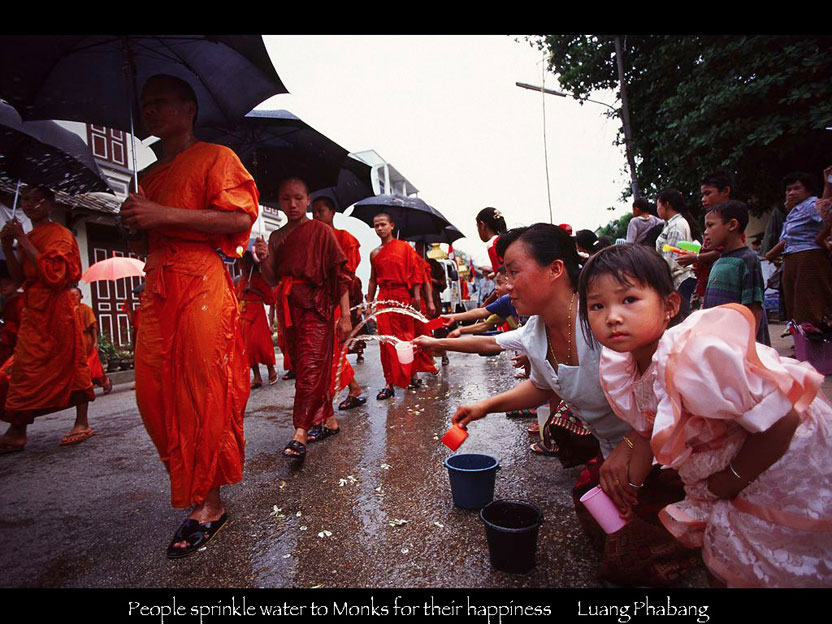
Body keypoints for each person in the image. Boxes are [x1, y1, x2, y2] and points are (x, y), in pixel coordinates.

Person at [451, 224, 694, 586]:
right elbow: (540, 384)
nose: (504, 283)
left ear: (555, 270)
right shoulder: (537, 331)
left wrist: (628, 448)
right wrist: (484, 407)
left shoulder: (611, 326)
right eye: (503, 272)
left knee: (634, 548)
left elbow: (661, 405)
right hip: (620, 447)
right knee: (591, 501)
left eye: (513, 271)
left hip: (663, 450)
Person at [581, 243, 832, 587]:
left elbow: (783, 421)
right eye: (597, 306)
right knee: (730, 555)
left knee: (769, 556)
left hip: (782, 459)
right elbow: (647, 431)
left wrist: (729, 480)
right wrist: (631, 492)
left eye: (629, 300)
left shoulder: (693, 356)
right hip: (730, 467)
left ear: (669, 305)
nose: (612, 316)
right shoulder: (622, 368)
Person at [118, 74, 258, 558]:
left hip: (200, 283)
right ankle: (194, 488)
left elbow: (240, 219)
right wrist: (137, 221)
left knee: (202, 389)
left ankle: (209, 504)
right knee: (154, 392)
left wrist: (160, 216)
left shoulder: (216, 157)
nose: (150, 111)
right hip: (158, 286)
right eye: (146, 104)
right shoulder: (150, 176)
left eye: (160, 103)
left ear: (189, 108)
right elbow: (149, 235)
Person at [255, 178, 352, 456]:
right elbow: (272, 279)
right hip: (289, 310)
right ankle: (329, 420)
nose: (293, 204)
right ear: (279, 201)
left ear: (308, 199)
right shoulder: (275, 237)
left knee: (311, 367)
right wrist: (263, 259)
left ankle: (300, 431)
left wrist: (344, 316)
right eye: (286, 199)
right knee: (306, 368)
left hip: (316, 306)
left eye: (298, 198)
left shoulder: (321, 232)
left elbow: (340, 276)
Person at [0, 186, 95, 453]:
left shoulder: (60, 235)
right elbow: (19, 278)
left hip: (57, 307)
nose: (30, 205)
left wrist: (22, 240)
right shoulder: (29, 236)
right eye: (27, 200)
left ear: (50, 206)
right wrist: (8, 247)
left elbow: (55, 276)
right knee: (23, 369)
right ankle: (17, 429)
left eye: (36, 200)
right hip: (33, 309)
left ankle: (82, 421)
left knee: (71, 360)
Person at [311, 196, 366, 410]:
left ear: (332, 212)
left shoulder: (345, 238)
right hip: (316, 301)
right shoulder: (313, 240)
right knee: (328, 350)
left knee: (331, 350)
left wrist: (345, 313)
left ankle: (326, 407)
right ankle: (352, 388)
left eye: (321, 211)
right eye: (313, 211)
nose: (316, 215)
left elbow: (346, 275)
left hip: (336, 301)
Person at [367, 212, 424, 399]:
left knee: (407, 338)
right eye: (376, 225)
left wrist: (416, 297)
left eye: (383, 224)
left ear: (392, 225)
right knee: (386, 342)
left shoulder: (405, 248)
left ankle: (413, 375)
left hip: (402, 296)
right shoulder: (374, 253)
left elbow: (416, 274)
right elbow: (373, 280)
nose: (380, 228)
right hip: (383, 298)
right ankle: (389, 383)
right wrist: (369, 303)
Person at [764, 171, 832, 325]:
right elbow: (788, 238)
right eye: (788, 190)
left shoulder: (811, 204)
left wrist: (821, 239)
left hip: (808, 256)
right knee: (794, 300)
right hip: (792, 257)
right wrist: (771, 254)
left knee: (809, 299)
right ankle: (802, 340)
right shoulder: (795, 211)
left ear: (808, 190)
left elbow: (827, 212)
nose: (791, 193)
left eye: (796, 188)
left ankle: (814, 341)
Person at [701, 200, 770, 345]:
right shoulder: (718, 262)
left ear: (732, 225)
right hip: (720, 339)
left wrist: (750, 346)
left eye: (710, 225)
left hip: (740, 342)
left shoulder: (747, 260)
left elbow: (754, 307)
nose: (706, 232)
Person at [235, 252, 278, 389]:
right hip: (244, 316)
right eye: (241, 262)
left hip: (257, 315)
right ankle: (257, 376)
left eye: (245, 262)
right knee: (248, 348)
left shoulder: (260, 278)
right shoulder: (241, 280)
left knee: (262, 344)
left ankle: (272, 370)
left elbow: (270, 299)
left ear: (251, 262)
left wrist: (253, 288)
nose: (243, 265)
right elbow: (238, 297)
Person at [655, 189, 699, 318]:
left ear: (666, 205)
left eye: (658, 205)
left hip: (681, 280)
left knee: (682, 320)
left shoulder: (676, 226)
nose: (657, 209)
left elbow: (672, 259)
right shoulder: (672, 224)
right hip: (679, 280)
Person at [70, 287, 113, 393]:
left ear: (81, 296)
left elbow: (93, 326)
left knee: (90, 363)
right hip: (74, 340)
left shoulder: (86, 309)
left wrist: (95, 342)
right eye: (71, 296)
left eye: (76, 295)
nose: (73, 298)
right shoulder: (68, 311)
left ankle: (105, 381)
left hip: (86, 340)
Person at [475, 207, 507, 274]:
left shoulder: (492, 243)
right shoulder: (504, 239)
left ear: (482, 225)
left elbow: (501, 275)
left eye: (477, 226)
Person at [0, 275, 23, 366]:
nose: (3, 287)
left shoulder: (19, 302)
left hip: (15, 345)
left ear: (15, 284)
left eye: (7, 284)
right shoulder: (7, 303)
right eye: (1, 284)